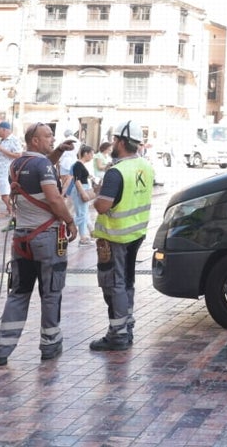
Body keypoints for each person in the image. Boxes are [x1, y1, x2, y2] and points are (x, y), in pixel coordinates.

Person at [0, 122, 77, 367]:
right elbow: (54, 198)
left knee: (19, 293)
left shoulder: (17, 165)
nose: (52, 139)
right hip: (46, 237)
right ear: (35, 140)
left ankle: (2, 349)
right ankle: (50, 344)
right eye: (48, 136)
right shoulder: (43, 166)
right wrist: (70, 221)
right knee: (51, 293)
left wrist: (57, 151)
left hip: (21, 239)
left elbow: (40, 164)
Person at [90, 119, 154, 352]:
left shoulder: (116, 172)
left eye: (115, 139)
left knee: (115, 284)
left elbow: (102, 206)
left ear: (122, 142)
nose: (113, 143)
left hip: (116, 237)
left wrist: (99, 194)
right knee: (127, 281)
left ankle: (117, 334)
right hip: (136, 233)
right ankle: (127, 327)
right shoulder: (145, 166)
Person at [66, 144, 96, 245]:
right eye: (91, 154)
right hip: (80, 189)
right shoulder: (78, 165)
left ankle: (85, 235)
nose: (92, 156)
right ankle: (80, 234)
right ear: (86, 154)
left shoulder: (80, 165)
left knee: (83, 213)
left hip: (82, 189)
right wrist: (82, 192)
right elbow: (77, 180)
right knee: (82, 214)